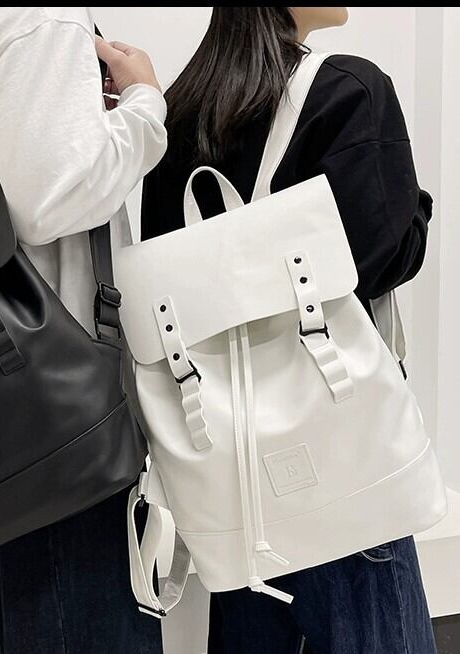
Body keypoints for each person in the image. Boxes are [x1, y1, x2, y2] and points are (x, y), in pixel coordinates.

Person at [141, 7, 436, 654]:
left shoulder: (179, 111)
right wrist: (412, 205)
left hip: (229, 470)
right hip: (338, 456)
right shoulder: (349, 91)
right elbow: (378, 258)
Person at [0, 7, 167, 653]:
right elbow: (50, 198)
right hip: (61, 412)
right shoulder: (43, 16)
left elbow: (10, 188)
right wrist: (145, 106)